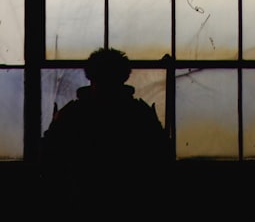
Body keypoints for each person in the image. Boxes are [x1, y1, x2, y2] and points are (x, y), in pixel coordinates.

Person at [39, 47, 172, 193]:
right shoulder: (140, 113)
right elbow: (160, 158)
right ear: (124, 76)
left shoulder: (71, 114)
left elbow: (49, 157)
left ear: (90, 75)